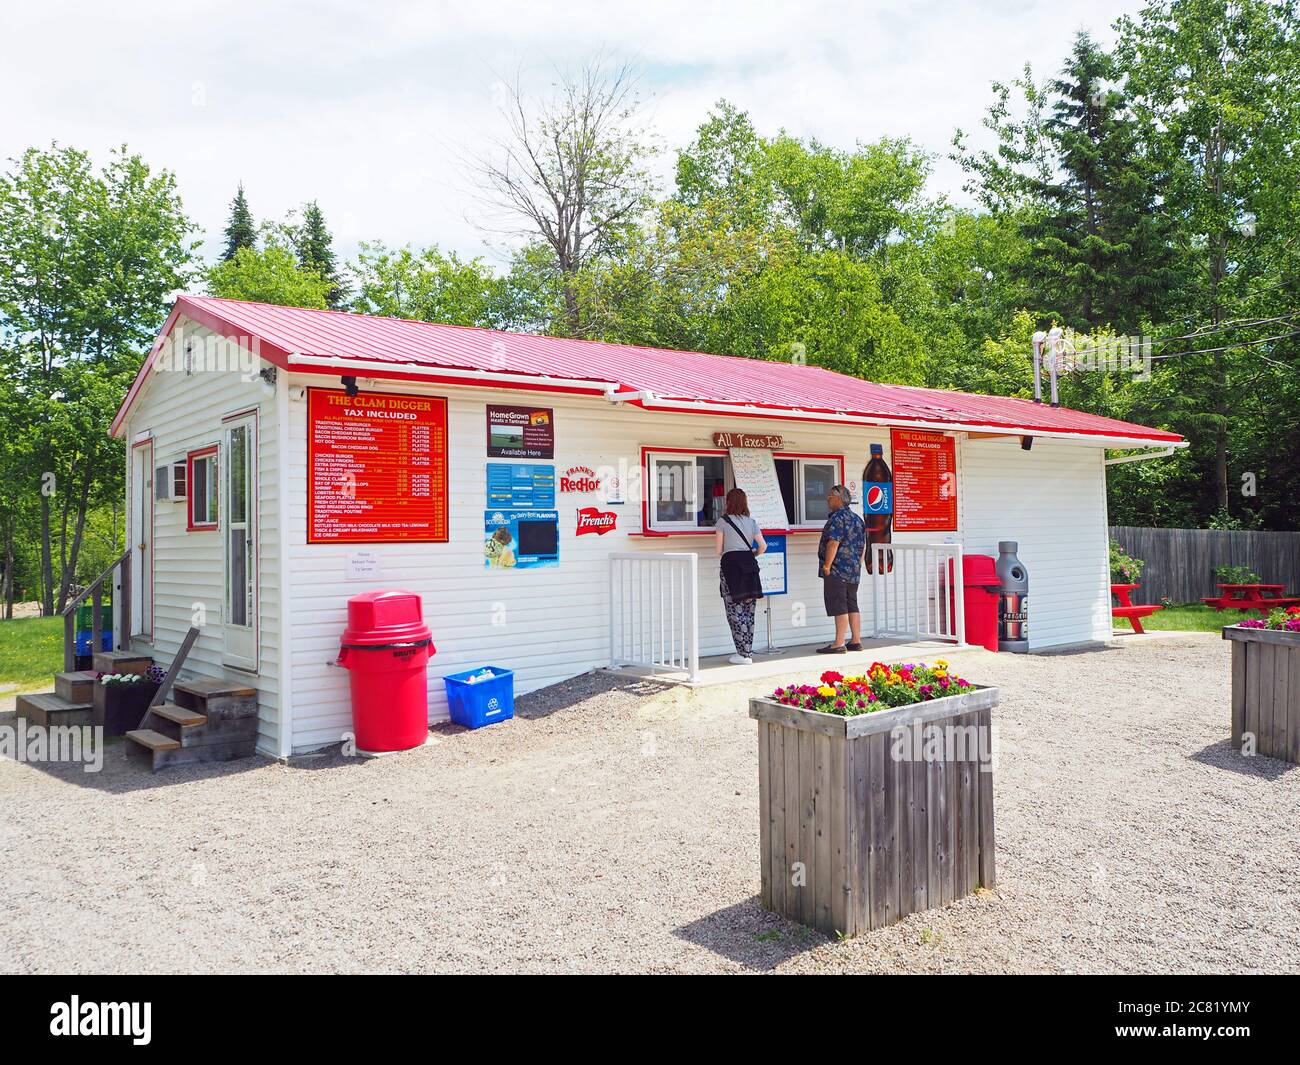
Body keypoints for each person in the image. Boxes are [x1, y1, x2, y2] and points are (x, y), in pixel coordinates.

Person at [715, 487, 767, 665]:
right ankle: (748, 652)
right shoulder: (751, 522)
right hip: (750, 566)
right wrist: (752, 553)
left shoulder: (723, 522)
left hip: (731, 568)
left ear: (728, 502)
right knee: (749, 611)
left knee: (734, 611)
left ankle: (742, 654)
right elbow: (763, 546)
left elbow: (718, 550)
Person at [817, 484, 865, 654]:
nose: (827, 500)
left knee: (839, 604)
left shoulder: (837, 518)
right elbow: (862, 546)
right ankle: (856, 640)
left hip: (837, 569)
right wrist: (858, 564)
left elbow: (833, 543)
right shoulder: (858, 519)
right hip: (853, 569)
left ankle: (839, 643)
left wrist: (827, 565)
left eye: (830, 496)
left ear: (838, 498)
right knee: (852, 603)